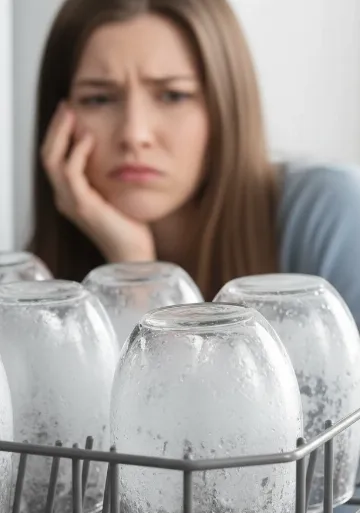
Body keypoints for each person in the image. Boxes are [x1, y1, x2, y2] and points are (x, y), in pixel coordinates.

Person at [29, 0, 360, 327]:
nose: (134, 133)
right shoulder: (40, 281)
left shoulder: (330, 211)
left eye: (173, 95)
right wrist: (132, 268)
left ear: (225, 109)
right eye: (99, 99)